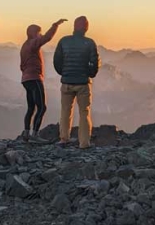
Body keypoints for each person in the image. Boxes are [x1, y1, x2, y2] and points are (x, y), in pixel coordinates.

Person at [54, 16, 101, 149]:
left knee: (65, 111)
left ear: (74, 26)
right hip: (83, 83)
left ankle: (64, 139)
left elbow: (57, 61)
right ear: (86, 27)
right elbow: (94, 62)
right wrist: (90, 74)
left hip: (67, 82)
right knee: (84, 112)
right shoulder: (90, 43)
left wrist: (64, 73)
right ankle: (84, 143)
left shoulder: (64, 41)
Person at [20, 18, 68, 141]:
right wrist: (55, 25)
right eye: (38, 32)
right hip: (35, 78)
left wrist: (26, 74)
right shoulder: (33, 44)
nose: (40, 35)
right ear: (33, 33)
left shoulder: (24, 46)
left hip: (26, 79)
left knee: (31, 107)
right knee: (42, 107)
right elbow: (46, 37)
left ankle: (26, 133)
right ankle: (35, 134)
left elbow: (22, 65)